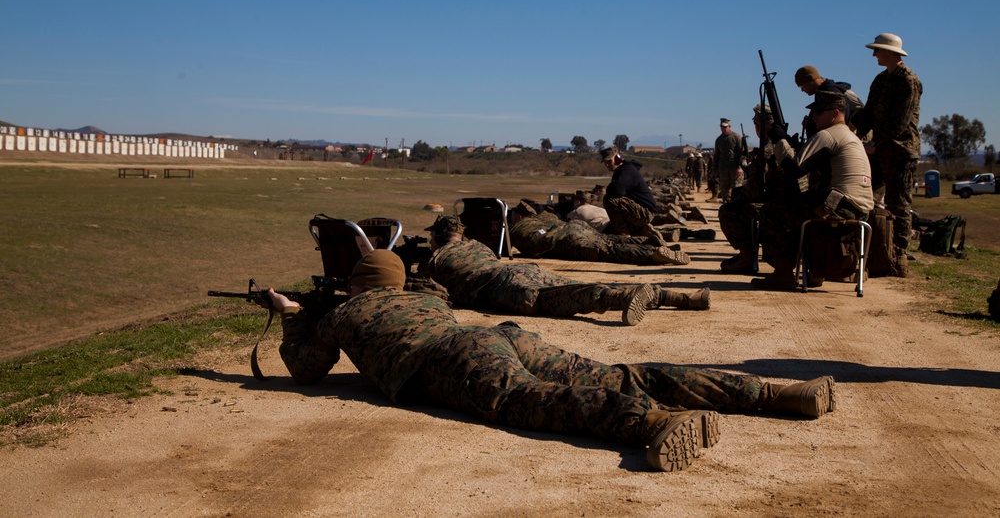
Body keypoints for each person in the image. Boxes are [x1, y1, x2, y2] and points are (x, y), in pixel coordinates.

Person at [269, 249, 837, 473]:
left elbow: (306, 369)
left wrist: (294, 313)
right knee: (622, 372)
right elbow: (433, 293)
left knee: (527, 400)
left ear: (356, 287)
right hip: (498, 334)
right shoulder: (424, 295)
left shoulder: (349, 313)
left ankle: (654, 422)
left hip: (446, 358)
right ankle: (774, 393)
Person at [419, 216, 709, 326]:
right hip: (521, 270)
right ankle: (680, 297)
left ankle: (624, 298)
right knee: (572, 283)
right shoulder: (478, 246)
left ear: (438, 237)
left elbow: (435, 293)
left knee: (575, 296)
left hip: (503, 287)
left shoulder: (433, 262)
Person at [753, 91, 875, 290]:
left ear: (835, 113)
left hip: (839, 206)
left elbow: (795, 168)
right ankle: (815, 271)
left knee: (771, 212)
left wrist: (779, 140)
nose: (813, 117)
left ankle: (783, 274)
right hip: (859, 208)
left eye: (818, 111)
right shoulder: (848, 135)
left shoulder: (828, 134)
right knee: (798, 206)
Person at [850, 33, 923, 277]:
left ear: (890, 52)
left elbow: (900, 123)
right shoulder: (880, 80)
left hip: (900, 152)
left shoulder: (909, 81)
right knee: (867, 198)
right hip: (878, 150)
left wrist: (877, 145)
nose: (874, 55)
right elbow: (868, 113)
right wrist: (857, 138)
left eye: (878, 50)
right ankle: (872, 250)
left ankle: (898, 255)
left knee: (898, 203)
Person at [718, 104, 787, 274]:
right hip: (786, 200)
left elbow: (755, 190)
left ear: (760, 126)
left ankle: (747, 257)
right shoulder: (785, 143)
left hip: (774, 204)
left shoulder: (767, 150)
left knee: (729, 211)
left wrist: (738, 193)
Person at [510, 205, 691, 266]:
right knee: (612, 240)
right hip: (576, 228)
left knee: (609, 251)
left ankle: (651, 254)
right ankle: (650, 242)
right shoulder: (544, 216)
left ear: (518, 216)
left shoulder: (518, 229)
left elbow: (533, 245)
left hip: (568, 240)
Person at [599, 146, 666, 245]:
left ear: (618, 157)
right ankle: (644, 232)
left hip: (644, 213)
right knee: (608, 232)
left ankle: (624, 236)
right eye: (605, 163)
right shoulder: (623, 170)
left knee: (609, 199)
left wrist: (608, 188)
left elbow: (616, 191)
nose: (607, 164)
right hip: (641, 212)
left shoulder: (626, 170)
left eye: (609, 161)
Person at [794, 65, 865, 137]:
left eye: (801, 85)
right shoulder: (823, 92)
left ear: (810, 79)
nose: (802, 90)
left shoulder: (835, 93)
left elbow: (863, 114)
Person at [713, 119, 744, 203]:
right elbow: (716, 156)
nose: (723, 128)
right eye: (722, 127)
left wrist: (740, 167)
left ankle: (736, 205)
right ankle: (726, 205)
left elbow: (742, 154)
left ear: (729, 126)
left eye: (725, 127)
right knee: (724, 188)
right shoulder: (719, 140)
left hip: (735, 166)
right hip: (723, 167)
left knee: (736, 187)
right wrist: (714, 170)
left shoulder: (737, 137)